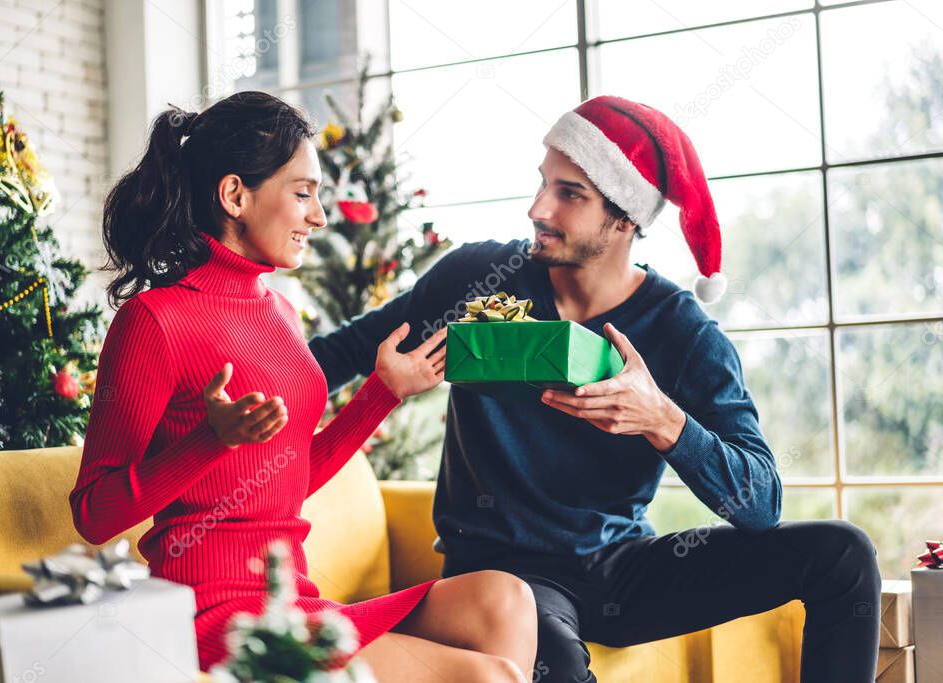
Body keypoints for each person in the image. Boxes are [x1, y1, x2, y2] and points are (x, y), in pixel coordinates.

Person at [309, 95, 882, 682]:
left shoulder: (681, 332)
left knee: (843, 553)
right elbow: (337, 356)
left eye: (569, 194)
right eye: (543, 184)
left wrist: (665, 422)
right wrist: (227, 386)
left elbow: (761, 503)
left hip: (621, 566)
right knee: (553, 662)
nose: (538, 208)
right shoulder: (479, 278)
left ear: (626, 218)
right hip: (502, 577)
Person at [69, 91, 537, 681]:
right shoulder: (154, 321)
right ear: (235, 195)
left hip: (294, 599)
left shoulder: (280, 315)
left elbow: (282, 481)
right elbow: (92, 512)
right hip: (217, 614)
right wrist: (210, 443)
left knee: (506, 599)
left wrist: (381, 394)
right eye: (303, 192)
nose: (318, 216)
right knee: (487, 676)